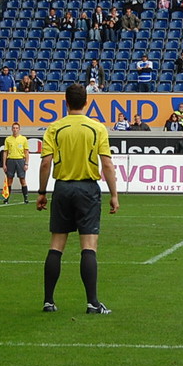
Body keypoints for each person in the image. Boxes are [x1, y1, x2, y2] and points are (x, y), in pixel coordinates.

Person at [36, 84, 119, 314]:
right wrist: (113, 194)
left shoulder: (55, 127)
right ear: (87, 102)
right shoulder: (96, 128)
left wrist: (42, 192)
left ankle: (48, 301)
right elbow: (107, 164)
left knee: (56, 245)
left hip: (62, 188)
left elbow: (45, 163)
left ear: (65, 102)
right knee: (89, 247)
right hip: (87, 189)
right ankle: (92, 303)